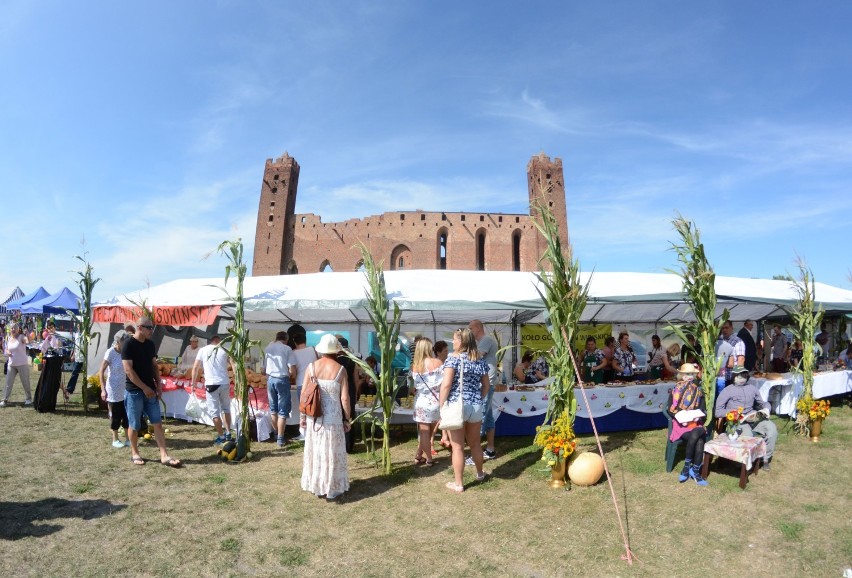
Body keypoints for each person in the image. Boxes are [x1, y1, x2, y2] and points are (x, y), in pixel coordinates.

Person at [122, 317, 182, 467]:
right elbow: (128, 370)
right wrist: (144, 388)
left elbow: (154, 366)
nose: (152, 331)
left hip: (151, 391)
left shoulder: (150, 344)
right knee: (134, 425)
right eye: (149, 328)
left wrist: (159, 386)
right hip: (135, 392)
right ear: (140, 327)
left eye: (152, 328)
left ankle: (164, 455)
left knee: (157, 423)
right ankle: (135, 453)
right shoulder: (128, 344)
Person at [300, 334, 350, 501]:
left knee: (316, 450)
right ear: (336, 351)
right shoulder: (341, 370)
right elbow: (344, 398)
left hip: (314, 416)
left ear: (321, 350)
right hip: (333, 418)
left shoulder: (311, 367)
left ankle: (316, 484)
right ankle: (332, 485)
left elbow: (304, 393)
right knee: (331, 452)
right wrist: (347, 418)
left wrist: (302, 416)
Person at [440, 328, 490, 493]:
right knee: (475, 443)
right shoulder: (479, 360)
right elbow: (486, 385)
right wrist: (478, 399)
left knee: (458, 447)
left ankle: (459, 483)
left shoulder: (452, 359)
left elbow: (446, 385)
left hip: (457, 405)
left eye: (454, 339)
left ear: (462, 341)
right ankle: (480, 473)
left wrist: (441, 405)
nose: (452, 342)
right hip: (475, 405)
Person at [714, 365, 778, 470]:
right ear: (733, 377)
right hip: (737, 421)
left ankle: (765, 458)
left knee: (771, 429)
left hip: (752, 417)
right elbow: (718, 412)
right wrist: (733, 413)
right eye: (738, 377)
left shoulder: (752, 388)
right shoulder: (727, 390)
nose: (741, 380)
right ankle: (743, 463)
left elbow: (762, 403)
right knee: (747, 436)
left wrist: (766, 409)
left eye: (743, 377)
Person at [667, 363, 708, 486]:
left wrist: (696, 416)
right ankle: (694, 470)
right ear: (682, 375)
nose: (689, 376)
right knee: (699, 440)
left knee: (696, 432)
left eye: (692, 374)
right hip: (681, 424)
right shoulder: (676, 389)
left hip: (695, 423)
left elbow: (702, 409)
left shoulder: (698, 391)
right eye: (687, 374)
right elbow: (671, 408)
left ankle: (686, 467)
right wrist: (680, 417)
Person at [191, 335, 235, 445]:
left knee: (214, 412)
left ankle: (221, 436)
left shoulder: (203, 350)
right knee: (226, 409)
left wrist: (193, 383)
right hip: (224, 383)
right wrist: (236, 378)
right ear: (219, 341)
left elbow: (195, 367)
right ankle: (228, 433)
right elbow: (234, 364)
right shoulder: (225, 349)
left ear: (211, 341)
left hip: (211, 384)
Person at [466, 320, 498, 463]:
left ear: (478, 328)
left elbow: (476, 357)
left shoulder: (486, 340)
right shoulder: (482, 341)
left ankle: (475, 455)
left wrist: (460, 355)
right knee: (489, 417)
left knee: (480, 417)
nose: (469, 331)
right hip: (486, 383)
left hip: (486, 384)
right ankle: (490, 450)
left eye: (471, 328)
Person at [411, 337, 442, 466]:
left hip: (421, 402)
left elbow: (413, 388)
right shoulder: (438, 362)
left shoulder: (414, 366)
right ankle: (420, 455)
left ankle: (428, 458)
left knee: (424, 432)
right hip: (436, 400)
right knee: (430, 431)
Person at [263, 331, 297, 448]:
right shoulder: (287, 349)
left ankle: (276, 433)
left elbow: (264, 369)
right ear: (286, 339)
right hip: (282, 379)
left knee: (273, 409)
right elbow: (292, 370)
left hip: (270, 379)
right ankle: (281, 439)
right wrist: (292, 377)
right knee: (283, 410)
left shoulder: (268, 347)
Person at [98, 330, 131, 448]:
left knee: (126, 414)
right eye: (124, 342)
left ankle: (128, 438)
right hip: (113, 389)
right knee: (115, 415)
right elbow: (101, 371)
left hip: (125, 388)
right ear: (118, 341)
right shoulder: (110, 353)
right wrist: (103, 389)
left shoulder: (126, 352)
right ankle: (115, 439)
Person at [289, 326, 319, 442]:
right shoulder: (313, 349)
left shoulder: (293, 353)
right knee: (314, 407)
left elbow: (293, 372)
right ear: (305, 340)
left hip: (301, 382)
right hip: (314, 382)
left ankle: (304, 433)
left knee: (303, 409)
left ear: (295, 342)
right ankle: (314, 430)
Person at [2, 323, 32, 406]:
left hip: (22, 363)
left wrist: (27, 334)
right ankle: (4, 400)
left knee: (25, 382)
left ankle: (29, 399)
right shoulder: (9, 338)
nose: (13, 329)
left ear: (18, 329)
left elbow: (28, 341)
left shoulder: (21, 337)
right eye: (11, 328)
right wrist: (8, 352)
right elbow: (7, 349)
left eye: (15, 328)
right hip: (11, 364)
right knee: (8, 382)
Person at [432, 341, 450, 451]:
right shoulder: (435, 364)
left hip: (446, 392)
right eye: (445, 351)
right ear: (438, 352)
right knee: (437, 419)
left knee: (445, 416)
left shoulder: (448, 362)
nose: (447, 353)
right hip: (436, 394)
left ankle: (444, 437)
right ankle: (431, 443)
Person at [65, 328, 85, 394]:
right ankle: (69, 389)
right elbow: (75, 345)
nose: (79, 327)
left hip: (85, 358)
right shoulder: (76, 334)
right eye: (78, 326)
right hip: (77, 357)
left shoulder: (86, 333)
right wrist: (73, 354)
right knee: (74, 373)